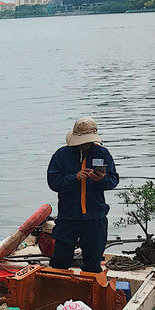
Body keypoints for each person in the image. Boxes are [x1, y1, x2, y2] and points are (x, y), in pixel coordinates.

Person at [46, 117, 119, 273]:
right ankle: (58, 292)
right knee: (59, 261)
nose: (86, 143)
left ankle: (90, 295)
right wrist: (74, 177)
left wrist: (102, 179)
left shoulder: (103, 153)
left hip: (95, 217)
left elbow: (113, 180)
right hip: (68, 216)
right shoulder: (61, 155)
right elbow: (53, 182)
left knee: (93, 263)